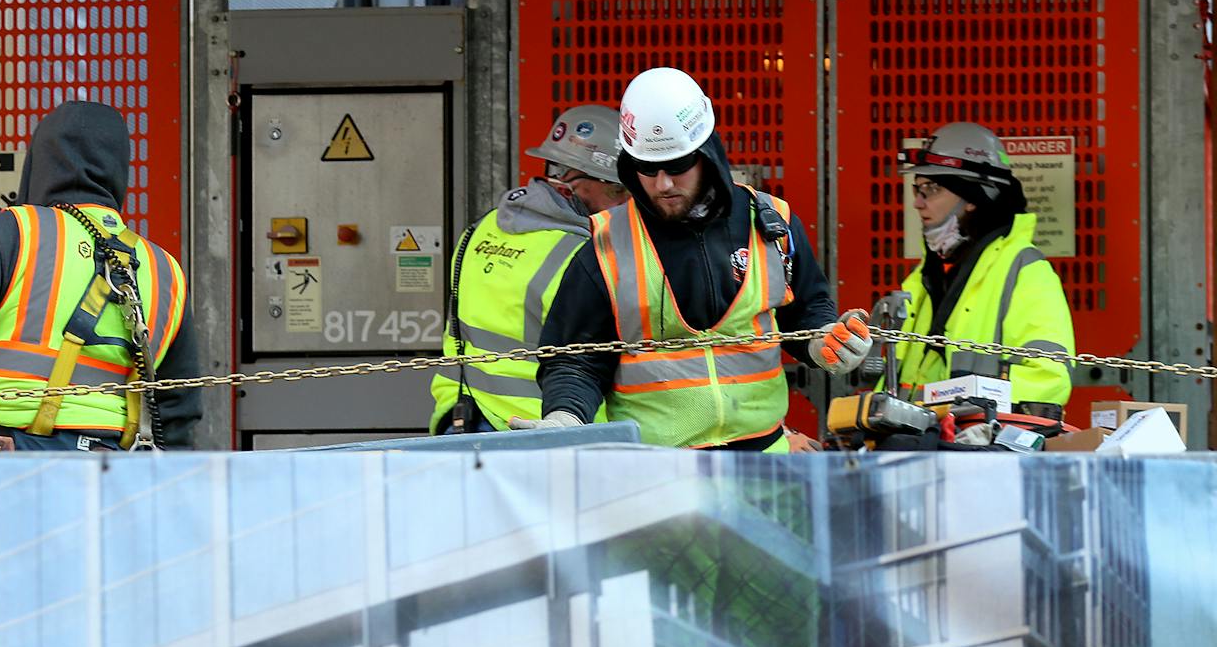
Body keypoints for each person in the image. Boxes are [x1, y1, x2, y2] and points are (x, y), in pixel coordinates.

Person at [516, 68, 871, 451]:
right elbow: (575, 360)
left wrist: (825, 343)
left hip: (764, 460)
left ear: (707, 153)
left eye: (678, 165)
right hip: (660, 472)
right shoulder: (606, 245)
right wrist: (565, 417)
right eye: (648, 168)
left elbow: (805, 308)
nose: (663, 183)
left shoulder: (771, 222)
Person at [0, 101, 201, 450]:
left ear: (39, 163)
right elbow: (178, 412)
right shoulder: (164, 270)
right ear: (119, 169)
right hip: (109, 472)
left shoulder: (14, 231)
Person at [428, 105, 629, 434]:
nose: (625, 202)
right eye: (617, 189)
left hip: (462, 419)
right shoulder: (588, 255)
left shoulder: (479, 230)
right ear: (569, 180)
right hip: (543, 429)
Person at [894, 123, 1074, 407]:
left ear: (973, 198)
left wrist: (968, 405)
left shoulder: (1026, 271)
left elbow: (1049, 379)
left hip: (982, 446)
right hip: (917, 444)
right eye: (917, 188)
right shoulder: (924, 275)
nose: (917, 202)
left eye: (931, 188)